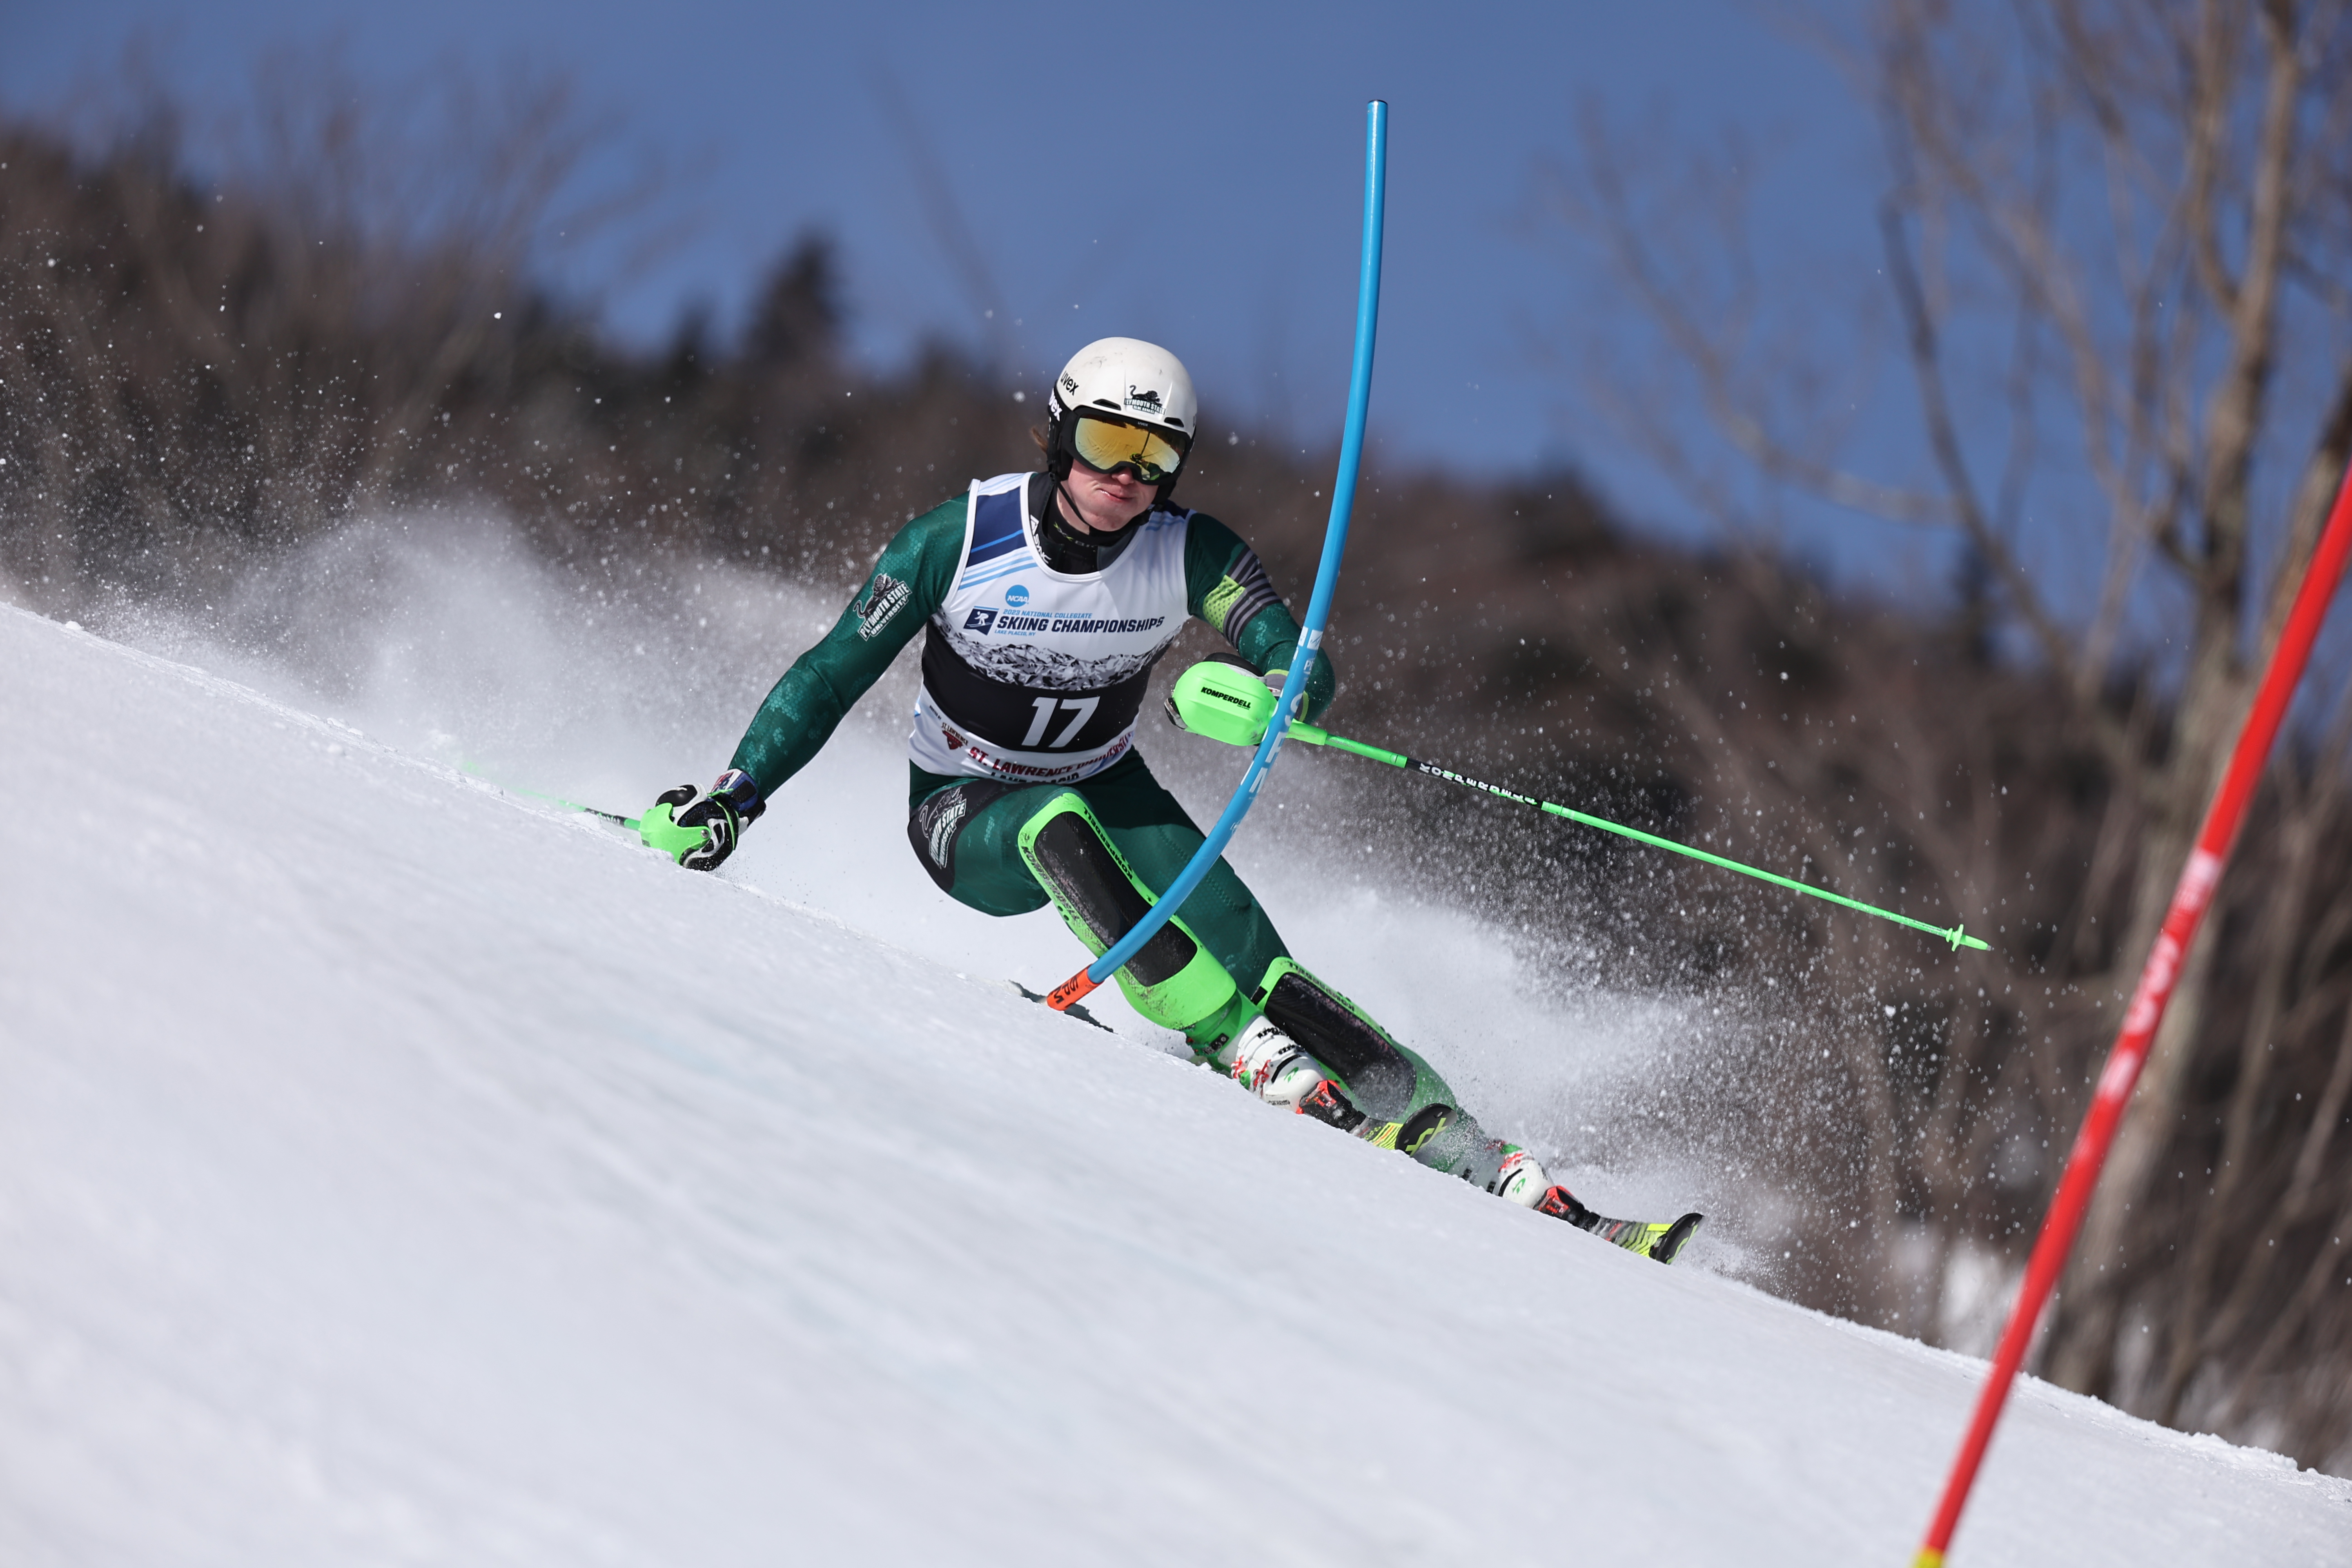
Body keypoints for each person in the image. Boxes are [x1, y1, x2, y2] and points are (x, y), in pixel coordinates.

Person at [655, 337, 1699, 1263]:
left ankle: (1471, 1149)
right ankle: (1232, 1048)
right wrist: (734, 798)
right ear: (1059, 437)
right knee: (1056, 825)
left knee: (1267, 965)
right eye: (1108, 443)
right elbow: (832, 670)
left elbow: (1290, 651)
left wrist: (1278, 691)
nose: (1127, 477)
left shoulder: (1186, 551)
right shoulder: (956, 541)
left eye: (1156, 459)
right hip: (967, 811)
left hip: (1114, 790)